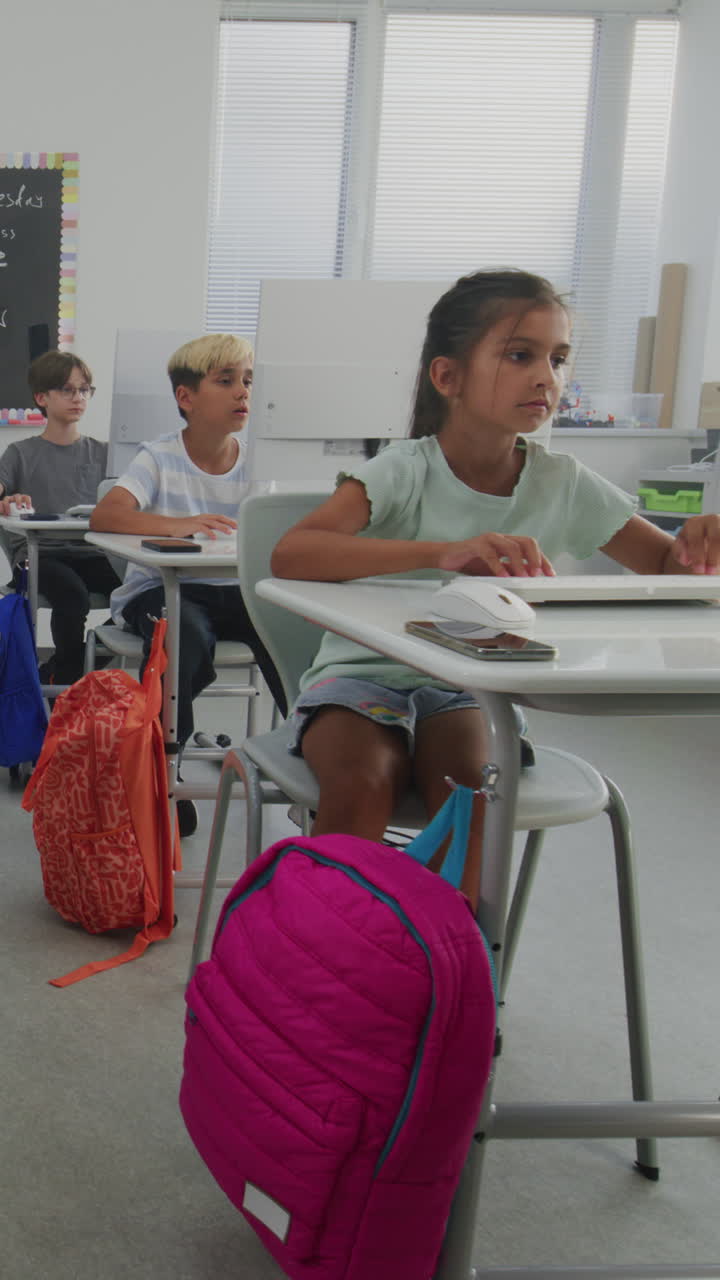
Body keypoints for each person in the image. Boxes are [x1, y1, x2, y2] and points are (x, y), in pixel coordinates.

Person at [271, 268, 720, 910]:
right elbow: (294, 552)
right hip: (361, 677)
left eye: (558, 359)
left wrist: (701, 547)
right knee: (363, 779)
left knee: (469, 793)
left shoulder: (564, 481)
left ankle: (450, 965)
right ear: (448, 377)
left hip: (468, 687)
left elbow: (670, 569)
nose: (547, 377)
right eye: (520, 355)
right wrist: (443, 554)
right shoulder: (405, 468)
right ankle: (326, 962)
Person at [89, 333, 284, 836]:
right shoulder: (158, 457)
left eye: (248, 381)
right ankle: (166, 767)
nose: (243, 393)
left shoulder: (262, 459)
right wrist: (176, 524)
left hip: (234, 591)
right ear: (186, 398)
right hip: (160, 591)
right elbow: (109, 515)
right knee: (186, 634)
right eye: (226, 381)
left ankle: (313, 747)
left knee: (289, 627)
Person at [0, 350, 120, 685]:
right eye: (67, 390)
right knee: (73, 595)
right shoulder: (20, 453)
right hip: (42, 556)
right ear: (42, 397)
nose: (78, 398)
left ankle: (73, 665)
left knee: (145, 590)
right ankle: (68, 679)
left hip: (93, 552)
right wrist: (7, 499)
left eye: (84, 390)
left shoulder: (104, 453)